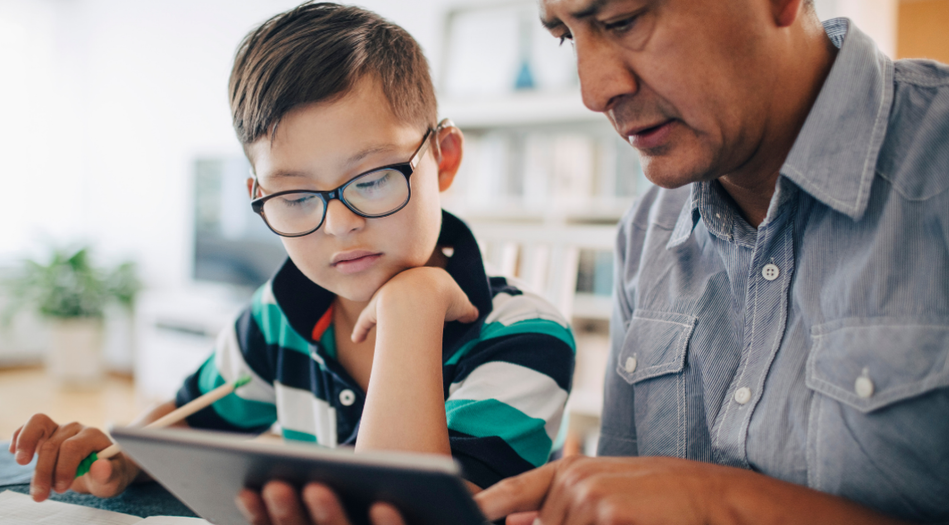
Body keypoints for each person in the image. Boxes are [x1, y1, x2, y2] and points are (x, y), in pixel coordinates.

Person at [258, 0, 948, 524]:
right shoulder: (650, 232)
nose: (594, 89)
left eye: (620, 18)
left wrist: (725, 504)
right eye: (564, 35)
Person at [8, 2, 577, 516]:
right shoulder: (280, 315)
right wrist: (122, 455)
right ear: (259, 197)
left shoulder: (525, 337)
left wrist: (412, 311)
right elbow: (192, 418)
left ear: (443, 158)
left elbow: (418, 516)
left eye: (374, 179)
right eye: (297, 197)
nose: (339, 224)